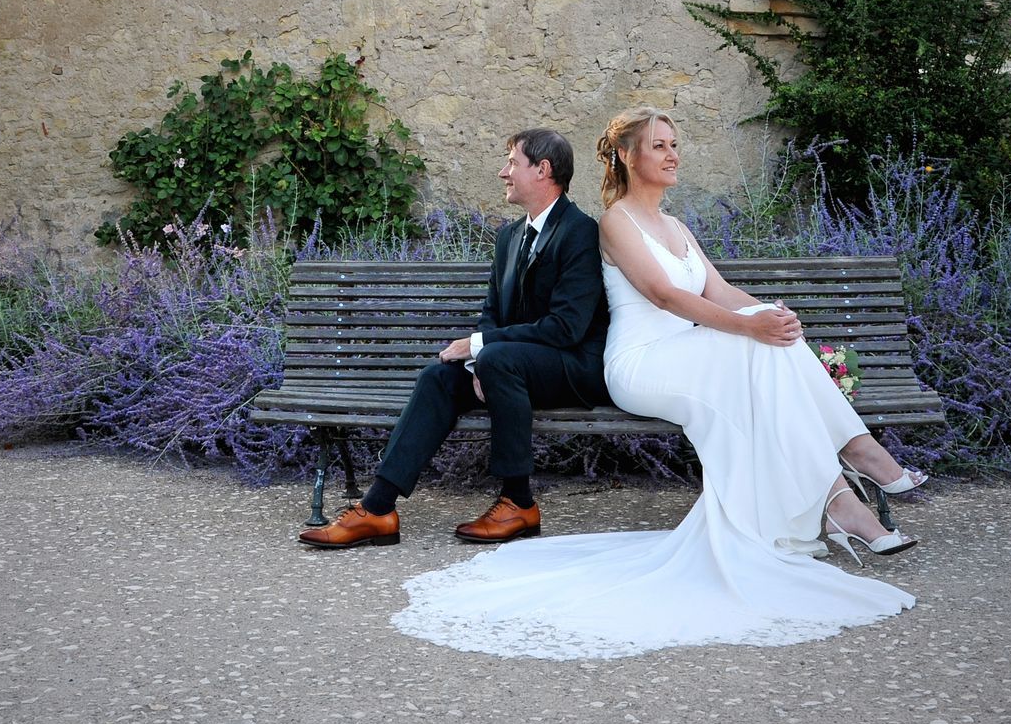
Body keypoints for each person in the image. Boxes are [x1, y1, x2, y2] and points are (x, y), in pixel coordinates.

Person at [391, 108, 921, 657]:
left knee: (774, 344)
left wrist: (772, 314)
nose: (672, 155)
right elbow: (666, 299)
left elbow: (718, 292)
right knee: (754, 342)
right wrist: (749, 325)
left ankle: (841, 490)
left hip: (687, 353)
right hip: (642, 362)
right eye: (659, 145)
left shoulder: (678, 226)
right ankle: (852, 467)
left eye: (674, 144)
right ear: (627, 155)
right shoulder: (617, 221)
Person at [299, 128, 609, 549]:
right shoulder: (508, 237)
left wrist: (484, 352)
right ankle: (377, 509)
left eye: (512, 163)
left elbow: (566, 328)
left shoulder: (580, 232)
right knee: (438, 377)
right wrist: (479, 357)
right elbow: (492, 314)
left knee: (498, 361)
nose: (503, 172)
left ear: (543, 170)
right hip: (511, 367)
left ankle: (519, 502)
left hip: (573, 367)